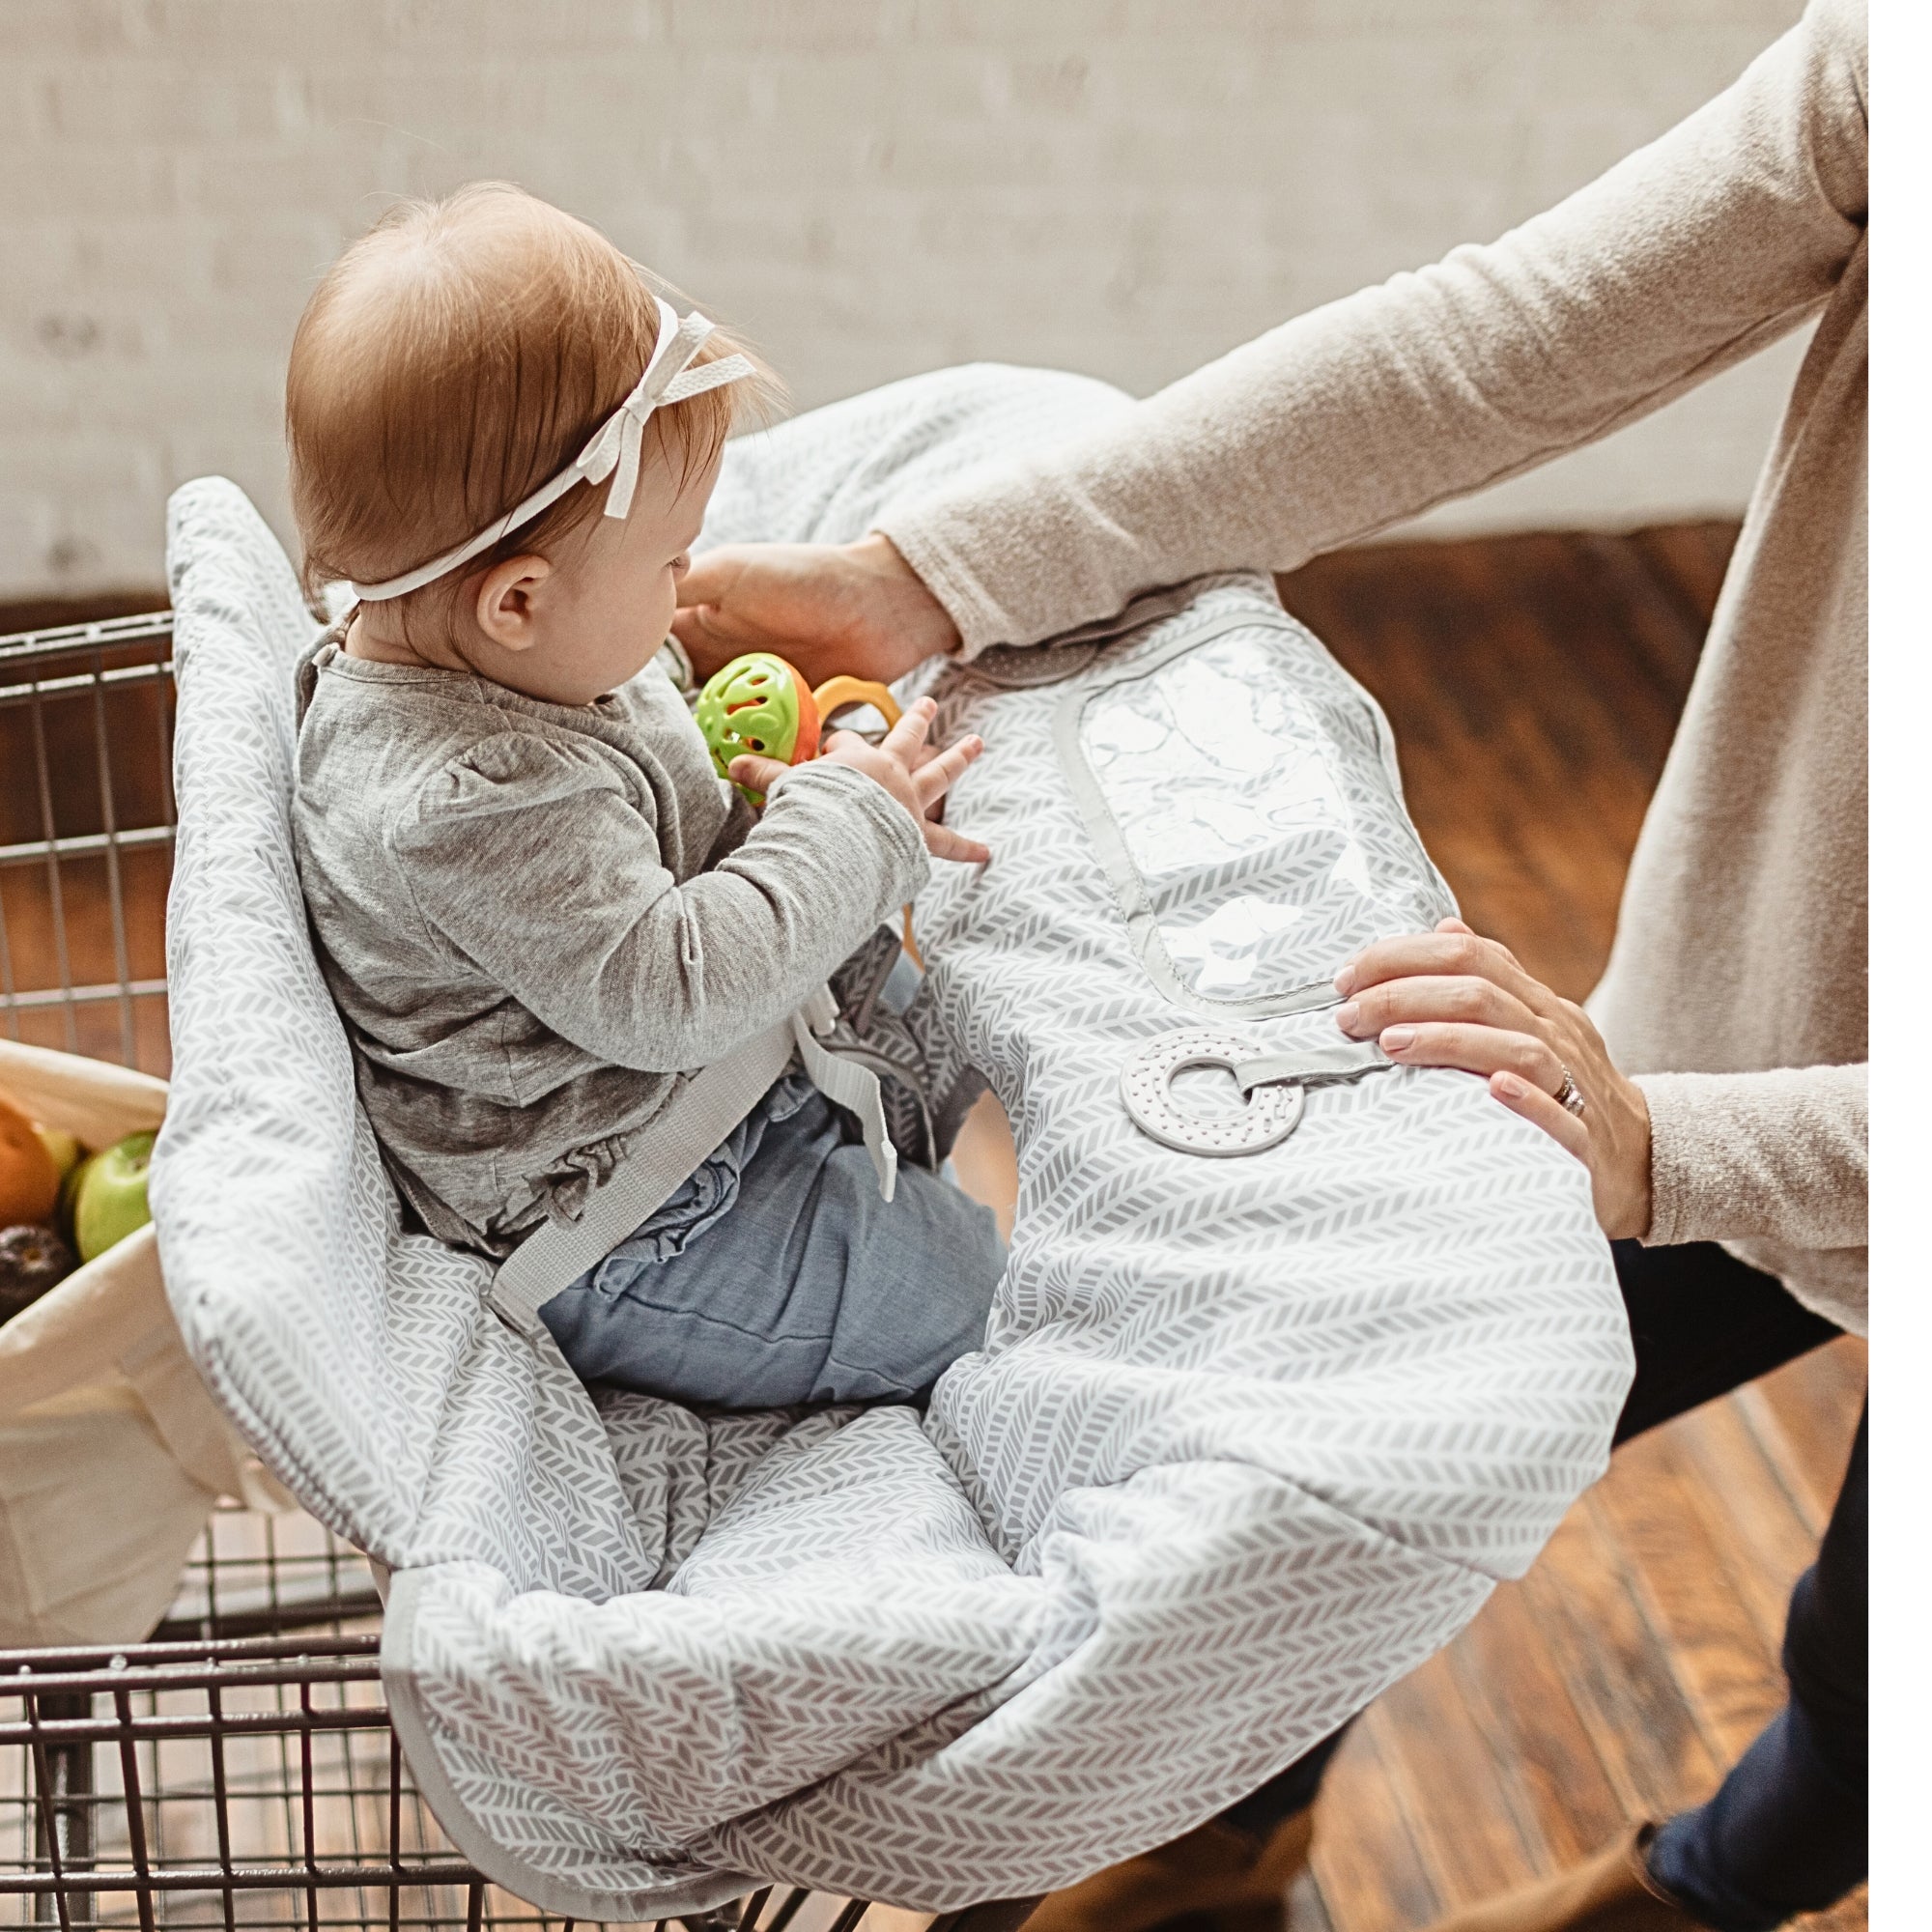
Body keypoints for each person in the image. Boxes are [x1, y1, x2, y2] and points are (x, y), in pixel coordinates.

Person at [669, 0, 1867, 1922]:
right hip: (1782, 1004)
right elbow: (1494, 347)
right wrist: (933, 576)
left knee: (1875, 1669)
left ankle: (1706, 1892)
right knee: (1360, 1426)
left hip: (1776, 1108)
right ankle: (1216, 1845)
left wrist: (1682, 1147)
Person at [282, 184, 1006, 1411]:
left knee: (945, 1010)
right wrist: (850, 819)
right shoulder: (464, 799)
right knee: (967, 1293)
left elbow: (622, 727)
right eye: (669, 559)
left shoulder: (497, 639)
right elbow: (671, 991)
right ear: (515, 601)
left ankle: (918, 1137)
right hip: (641, 1210)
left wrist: (763, 741)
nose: (683, 585)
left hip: (706, 1081)